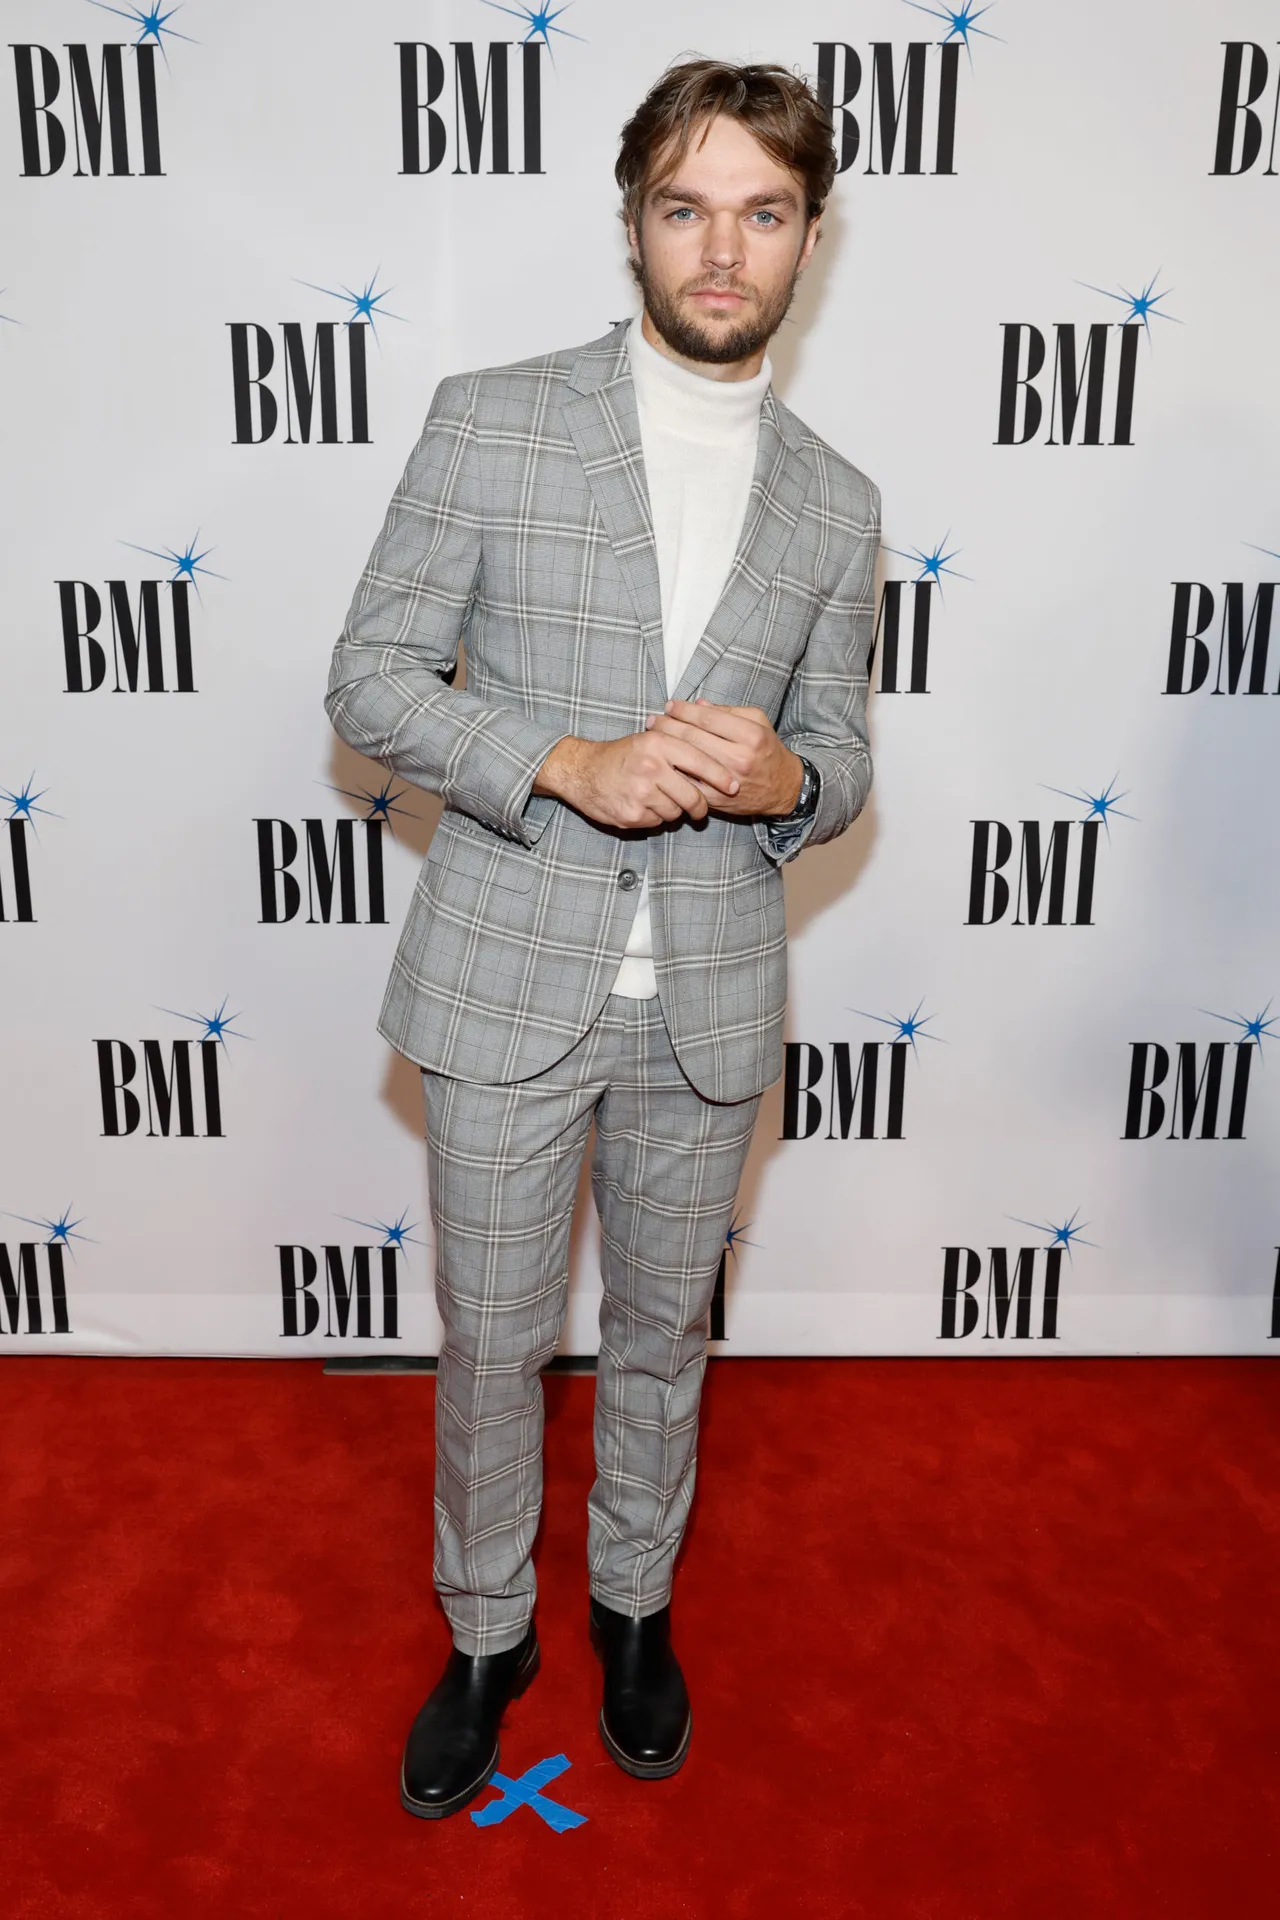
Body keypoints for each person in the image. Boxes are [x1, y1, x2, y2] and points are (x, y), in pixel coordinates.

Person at [325, 56, 880, 1819]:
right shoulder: (494, 418)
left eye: (764, 213)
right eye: (686, 206)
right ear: (634, 219)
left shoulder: (839, 504)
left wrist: (792, 772)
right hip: (507, 977)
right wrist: (557, 759)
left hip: (709, 998)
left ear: (808, 238)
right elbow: (369, 681)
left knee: (660, 1332)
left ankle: (633, 1607)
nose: (723, 250)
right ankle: (486, 1634)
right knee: (494, 1337)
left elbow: (848, 763)